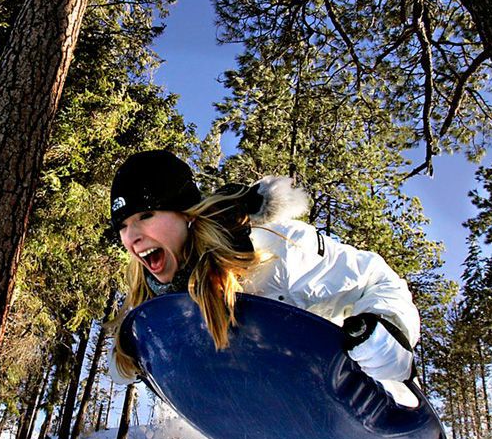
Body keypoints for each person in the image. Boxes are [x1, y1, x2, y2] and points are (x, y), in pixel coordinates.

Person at [107, 150, 419, 397]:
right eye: (122, 225)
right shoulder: (156, 302)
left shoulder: (278, 251)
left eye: (146, 215)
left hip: (360, 394)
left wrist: (391, 332)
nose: (131, 237)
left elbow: (376, 279)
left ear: (186, 214)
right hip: (281, 423)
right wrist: (131, 354)